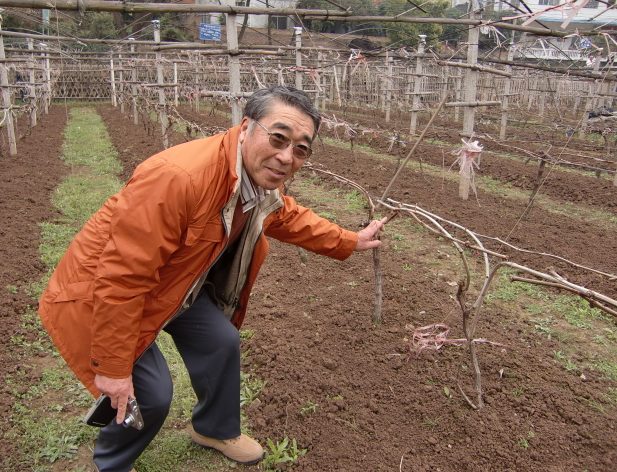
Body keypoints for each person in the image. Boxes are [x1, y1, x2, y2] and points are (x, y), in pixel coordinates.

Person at [38, 86, 387, 472]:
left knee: (221, 341)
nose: (287, 156)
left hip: (174, 283)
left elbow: (285, 216)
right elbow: (123, 278)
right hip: (97, 294)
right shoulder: (179, 177)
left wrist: (350, 240)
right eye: (278, 138)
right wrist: (112, 368)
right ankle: (112, 464)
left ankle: (214, 429)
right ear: (246, 127)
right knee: (150, 393)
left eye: (301, 149)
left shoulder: (253, 177)